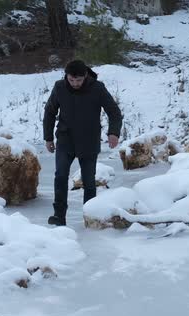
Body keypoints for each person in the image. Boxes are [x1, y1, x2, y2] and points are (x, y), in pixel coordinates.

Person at [43, 60, 122, 226]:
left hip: (89, 140)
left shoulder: (97, 88)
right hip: (66, 139)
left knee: (89, 180)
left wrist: (113, 132)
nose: (75, 84)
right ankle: (59, 215)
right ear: (67, 76)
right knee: (60, 176)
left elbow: (114, 111)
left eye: (78, 80)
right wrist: (48, 137)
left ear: (85, 76)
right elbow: (50, 112)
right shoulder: (59, 87)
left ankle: (90, 216)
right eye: (71, 80)